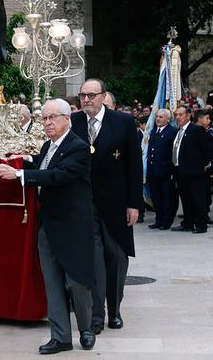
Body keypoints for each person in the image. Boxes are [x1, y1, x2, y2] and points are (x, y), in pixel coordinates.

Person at [0, 99, 96, 354]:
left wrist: (18, 175)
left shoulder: (79, 147)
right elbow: (44, 164)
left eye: (53, 118)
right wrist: (22, 160)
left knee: (76, 282)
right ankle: (60, 337)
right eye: (45, 119)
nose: (48, 123)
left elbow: (57, 175)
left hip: (72, 227)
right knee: (52, 283)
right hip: (48, 226)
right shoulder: (47, 146)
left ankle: (85, 327)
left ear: (67, 119)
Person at [71, 79, 142, 334]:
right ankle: (96, 317)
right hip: (86, 204)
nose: (86, 100)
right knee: (94, 259)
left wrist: (134, 204)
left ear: (103, 96)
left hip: (116, 204)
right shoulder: (74, 121)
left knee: (117, 257)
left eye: (91, 95)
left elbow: (135, 166)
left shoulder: (122, 122)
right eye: (82, 96)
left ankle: (115, 310)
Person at [170, 105, 212, 233]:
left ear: (188, 115)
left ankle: (201, 225)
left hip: (194, 171)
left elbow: (206, 150)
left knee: (198, 199)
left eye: (180, 115)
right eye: (176, 115)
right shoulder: (178, 131)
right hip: (180, 170)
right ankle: (187, 223)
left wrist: (202, 165)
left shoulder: (196, 129)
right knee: (186, 199)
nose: (178, 117)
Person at [146, 109, 177, 230]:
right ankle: (158, 220)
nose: (158, 119)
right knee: (156, 198)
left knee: (167, 198)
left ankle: (166, 221)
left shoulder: (172, 132)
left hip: (165, 172)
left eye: (161, 117)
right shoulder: (153, 131)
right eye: (157, 116)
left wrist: (171, 170)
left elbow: (173, 153)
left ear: (168, 120)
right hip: (153, 171)